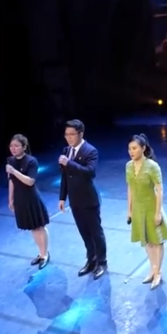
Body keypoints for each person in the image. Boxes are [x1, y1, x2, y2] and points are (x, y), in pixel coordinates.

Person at [58, 119, 108, 278]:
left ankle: (101, 262)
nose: (68, 138)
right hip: (74, 200)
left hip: (89, 199)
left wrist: (69, 163)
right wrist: (62, 197)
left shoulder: (90, 151)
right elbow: (65, 176)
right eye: (66, 134)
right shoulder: (66, 150)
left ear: (81, 134)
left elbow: (89, 172)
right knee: (84, 233)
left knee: (95, 233)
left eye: (72, 134)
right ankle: (91, 260)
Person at [126, 134, 167, 289]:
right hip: (138, 209)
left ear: (143, 148)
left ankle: (158, 272)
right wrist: (129, 210)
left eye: (134, 148)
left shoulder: (152, 166)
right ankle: (152, 269)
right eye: (129, 149)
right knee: (146, 240)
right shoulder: (129, 166)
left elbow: (159, 189)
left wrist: (158, 213)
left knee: (156, 241)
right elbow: (130, 188)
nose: (131, 152)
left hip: (151, 207)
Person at [5, 134, 50, 268]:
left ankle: (45, 254)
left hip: (31, 197)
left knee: (39, 226)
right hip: (20, 198)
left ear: (24, 147)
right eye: (11, 146)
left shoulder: (31, 161)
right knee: (32, 227)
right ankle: (40, 253)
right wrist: (11, 199)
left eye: (17, 146)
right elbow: (11, 181)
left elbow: (30, 181)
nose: (13, 148)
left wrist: (13, 171)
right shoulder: (10, 161)